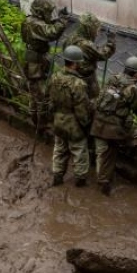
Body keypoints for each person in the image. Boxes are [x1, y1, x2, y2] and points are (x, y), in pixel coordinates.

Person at [91, 56, 137, 196]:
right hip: (113, 129)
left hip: (98, 122)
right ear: (136, 74)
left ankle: (101, 178)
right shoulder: (133, 89)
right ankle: (105, 183)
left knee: (103, 153)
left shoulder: (114, 78)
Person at [20, 0, 68, 127]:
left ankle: (35, 118)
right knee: (42, 95)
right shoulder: (35, 24)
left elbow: (46, 28)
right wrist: (62, 21)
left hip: (34, 60)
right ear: (40, 11)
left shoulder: (29, 20)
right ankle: (40, 123)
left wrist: (57, 19)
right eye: (47, 11)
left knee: (34, 94)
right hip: (36, 63)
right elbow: (51, 33)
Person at [48, 45, 92, 187]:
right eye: (79, 62)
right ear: (74, 63)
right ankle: (80, 181)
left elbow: (51, 101)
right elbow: (82, 110)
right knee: (79, 152)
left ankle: (57, 176)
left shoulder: (55, 77)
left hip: (58, 121)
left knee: (59, 149)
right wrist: (86, 124)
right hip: (73, 125)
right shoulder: (78, 84)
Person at [68, 13, 116, 100]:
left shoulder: (71, 37)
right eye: (96, 30)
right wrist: (111, 42)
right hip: (86, 80)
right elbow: (103, 54)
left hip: (70, 75)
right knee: (91, 102)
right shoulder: (86, 45)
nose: (97, 33)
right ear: (88, 29)